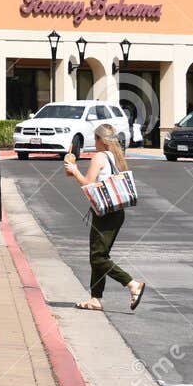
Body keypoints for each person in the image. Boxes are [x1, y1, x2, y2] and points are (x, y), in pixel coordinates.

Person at [63, 121, 146, 312]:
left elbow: (88, 185)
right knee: (99, 255)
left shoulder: (99, 156)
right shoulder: (116, 156)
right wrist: (72, 170)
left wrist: (75, 170)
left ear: (100, 140)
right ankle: (95, 299)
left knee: (98, 257)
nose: (94, 140)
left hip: (105, 214)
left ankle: (132, 284)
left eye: (95, 137)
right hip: (117, 212)